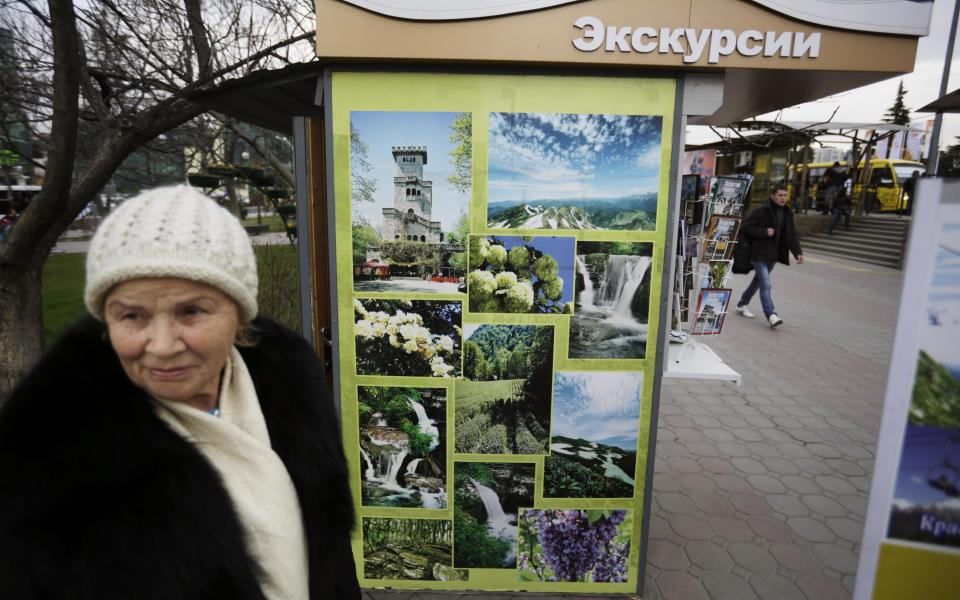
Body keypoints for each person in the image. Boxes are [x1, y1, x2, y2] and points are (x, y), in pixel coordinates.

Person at [0, 186, 360, 599]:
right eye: (132, 315)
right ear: (106, 322)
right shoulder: (49, 453)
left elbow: (330, 561)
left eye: (191, 311)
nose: (164, 345)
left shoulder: (290, 388)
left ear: (239, 313)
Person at [735, 184, 804, 328]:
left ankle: (742, 304)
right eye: (780, 195)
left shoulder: (787, 213)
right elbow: (745, 227)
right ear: (773, 196)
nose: (783, 198)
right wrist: (764, 232)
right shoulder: (761, 211)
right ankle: (771, 315)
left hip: (773, 256)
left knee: (758, 282)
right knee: (766, 284)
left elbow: (791, 235)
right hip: (759, 254)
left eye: (785, 195)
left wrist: (798, 252)